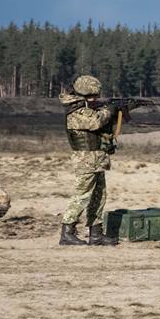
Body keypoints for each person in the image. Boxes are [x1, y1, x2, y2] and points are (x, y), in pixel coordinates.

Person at [59, 74, 119, 246]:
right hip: (85, 160)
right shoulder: (76, 111)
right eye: (92, 96)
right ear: (82, 95)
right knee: (82, 195)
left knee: (99, 196)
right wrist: (110, 110)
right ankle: (67, 231)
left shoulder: (85, 108)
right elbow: (96, 122)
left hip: (97, 159)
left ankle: (96, 233)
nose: (95, 99)